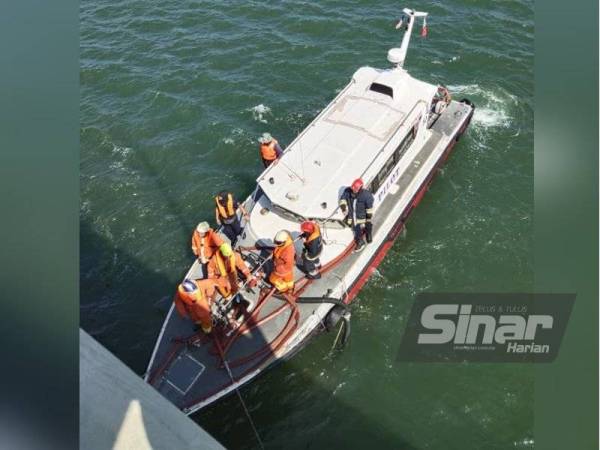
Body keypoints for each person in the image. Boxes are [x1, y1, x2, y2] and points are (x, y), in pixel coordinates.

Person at [339, 178, 374, 252]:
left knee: (368, 224)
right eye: (353, 189)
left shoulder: (366, 195)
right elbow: (343, 199)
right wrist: (343, 208)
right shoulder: (348, 191)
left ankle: (368, 235)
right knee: (356, 229)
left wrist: (368, 218)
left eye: (355, 190)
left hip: (362, 216)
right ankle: (361, 242)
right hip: (353, 216)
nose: (353, 191)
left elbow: (369, 208)